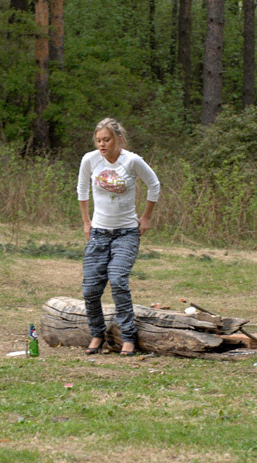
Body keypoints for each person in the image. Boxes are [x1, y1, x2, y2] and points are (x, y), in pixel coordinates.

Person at [76, 118, 160, 356]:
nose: (102, 144)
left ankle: (128, 337)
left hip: (126, 233)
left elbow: (154, 185)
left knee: (118, 280)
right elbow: (82, 189)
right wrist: (86, 221)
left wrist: (146, 218)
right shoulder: (89, 160)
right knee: (91, 288)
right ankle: (97, 334)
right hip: (99, 233)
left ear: (118, 139)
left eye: (107, 139)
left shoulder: (132, 161)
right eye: (98, 140)